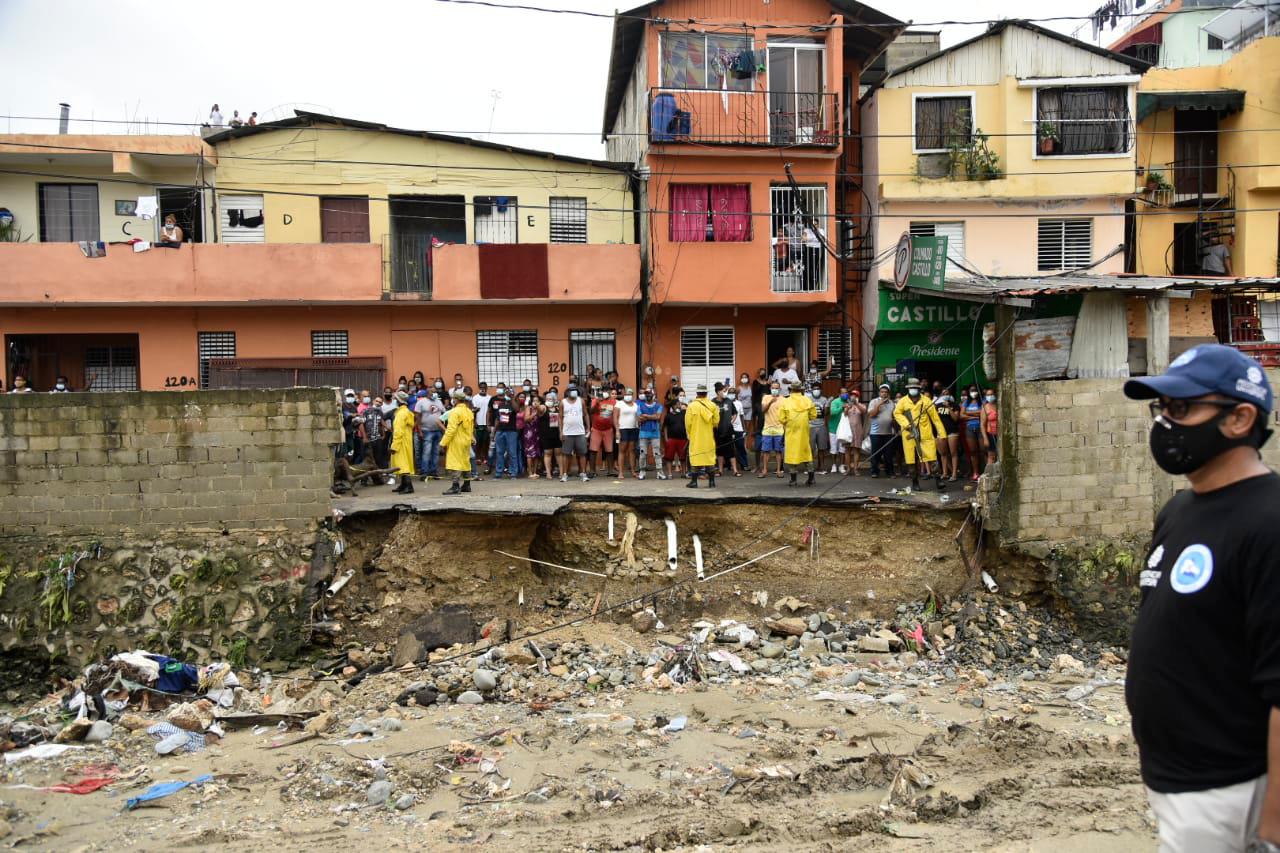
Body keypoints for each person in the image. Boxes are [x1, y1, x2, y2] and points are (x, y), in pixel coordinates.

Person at [1120, 344, 1280, 853]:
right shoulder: (1180, 510)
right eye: (1161, 410)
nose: (1165, 424)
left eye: (1182, 409)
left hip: (1234, 787)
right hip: (1175, 782)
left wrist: (1273, 832)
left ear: (1240, 418)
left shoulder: (1270, 525)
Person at [894, 378, 947, 492]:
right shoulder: (902, 401)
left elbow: (935, 418)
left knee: (932, 457)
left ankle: (938, 480)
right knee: (911, 459)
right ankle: (915, 482)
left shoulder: (926, 401)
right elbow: (897, 413)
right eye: (911, 388)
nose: (913, 390)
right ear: (908, 389)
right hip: (909, 434)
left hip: (925, 434)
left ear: (919, 389)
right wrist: (906, 424)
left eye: (915, 388)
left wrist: (942, 434)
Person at [779, 381, 819, 487]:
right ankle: (811, 479)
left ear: (790, 389)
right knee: (806, 453)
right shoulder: (807, 400)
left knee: (792, 454)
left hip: (791, 431)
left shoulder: (785, 402)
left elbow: (781, 419)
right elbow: (814, 415)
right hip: (804, 431)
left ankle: (793, 480)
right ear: (801, 389)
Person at [440, 388, 476, 495]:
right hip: (466, 441)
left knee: (455, 463)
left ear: (455, 399)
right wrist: (471, 438)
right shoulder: (469, 411)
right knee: (465, 462)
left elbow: (451, 429)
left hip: (456, 441)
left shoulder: (454, 412)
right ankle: (467, 485)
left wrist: (443, 442)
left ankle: (455, 486)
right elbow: (471, 428)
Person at [684, 384, 720, 488]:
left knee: (695, 458)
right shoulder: (712, 405)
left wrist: (689, 434)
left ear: (697, 393)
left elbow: (688, 423)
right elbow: (716, 422)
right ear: (706, 393)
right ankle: (712, 482)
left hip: (696, 438)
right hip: (708, 438)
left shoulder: (691, 406)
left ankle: (694, 482)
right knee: (709, 458)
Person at [560, 384, 590, 483]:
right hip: (567, 432)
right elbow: (560, 418)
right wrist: (561, 432)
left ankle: (583, 473)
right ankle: (564, 474)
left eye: (575, 390)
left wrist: (588, 428)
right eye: (571, 390)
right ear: (567, 392)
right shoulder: (563, 402)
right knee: (566, 454)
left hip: (580, 432)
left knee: (582, 453)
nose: (574, 392)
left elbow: (585, 414)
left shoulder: (581, 401)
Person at [416, 386, 446, 480]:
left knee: (435, 452)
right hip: (426, 430)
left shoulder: (439, 401)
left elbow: (444, 413)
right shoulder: (421, 402)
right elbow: (417, 417)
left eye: (435, 392)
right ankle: (424, 472)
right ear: (427, 393)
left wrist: (443, 427)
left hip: (437, 431)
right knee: (426, 452)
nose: (434, 393)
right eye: (432, 392)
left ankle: (433, 471)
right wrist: (420, 430)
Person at [933, 382, 961, 482]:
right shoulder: (937, 405)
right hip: (941, 431)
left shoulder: (955, 405)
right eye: (943, 393)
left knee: (953, 453)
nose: (945, 395)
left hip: (952, 431)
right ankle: (945, 473)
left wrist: (949, 407)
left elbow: (956, 419)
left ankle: (954, 474)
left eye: (947, 393)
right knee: (943, 453)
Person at [867, 384, 896, 479]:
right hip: (876, 433)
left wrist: (896, 429)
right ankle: (874, 471)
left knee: (889, 454)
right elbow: (871, 415)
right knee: (875, 453)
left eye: (886, 392)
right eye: (882, 392)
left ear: (888, 393)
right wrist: (879, 404)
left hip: (888, 433)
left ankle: (890, 472)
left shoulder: (892, 403)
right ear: (879, 393)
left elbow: (894, 417)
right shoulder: (873, 401)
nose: (884, 393)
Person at [390, 391, 416, 493]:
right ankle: (403, 484)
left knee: (402, 464)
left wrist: (394, 446)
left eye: (395, 399)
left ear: (398, 400)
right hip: (406, 441)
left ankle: (408, 486)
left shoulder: (400, 414)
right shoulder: (407, 412)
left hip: (400, 442)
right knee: (404, 463)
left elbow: (398, 431)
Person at [758, 381, 785, 478]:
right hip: (767, 428)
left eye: (776, 388)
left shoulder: (783, 399)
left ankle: (778, 470)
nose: (775, 390)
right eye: (773, 388)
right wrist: (770, 402)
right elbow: (763, 410)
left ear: (780, 389)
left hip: (779, 428)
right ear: (770, 388)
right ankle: (764, 470)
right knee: (766, 451)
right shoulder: (766, 397)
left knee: (778, 451)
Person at [491, 387, 519, 479]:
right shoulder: (501, 405)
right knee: (499, 452)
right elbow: (497, 419)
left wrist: (512, 398)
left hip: (511, 431)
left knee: (512, 453)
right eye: (506, 393)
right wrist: (494, 432)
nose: (507, 394)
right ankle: (498, 472)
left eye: (509, 393)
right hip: (500, 431)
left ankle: (513, 472)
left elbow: (517, 410)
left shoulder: (514, 403)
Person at [589, 388, 617, 478]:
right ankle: (592, 471)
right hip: (596, 429)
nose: (605, 393)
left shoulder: (613, 402)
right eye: (603, 391)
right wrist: (597, 403)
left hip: (608, 429)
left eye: (607, 392)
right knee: (593, 450)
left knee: (609, 451)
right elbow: (591, 411)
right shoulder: (595, 400)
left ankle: (610, 470)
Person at [637, 388, 664, 481]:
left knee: (657, 453)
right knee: (643, 454)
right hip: (643, 433)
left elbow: (658, 417)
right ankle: (642, 471)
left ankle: (660, 472)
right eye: (646, 394)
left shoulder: (658, 405)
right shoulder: (640, 405)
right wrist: (652, 416)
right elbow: (640, 419)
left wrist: (646, 416)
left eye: (649, 394)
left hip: (655, 433)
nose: (647, 395)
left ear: (653, 395)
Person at [662, 389, 689, 479]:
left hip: (682, 439)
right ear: (673, 406)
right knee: (669, 457)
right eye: (677, 404)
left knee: (682, 457)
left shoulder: (684, 414)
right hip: (671, 439)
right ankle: (669, 474)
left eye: (679, 404)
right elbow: (665, 427)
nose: (679, 405)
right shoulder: (668, 416)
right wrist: (666, 439)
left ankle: (684, 473)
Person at [960, 385, 985, 482]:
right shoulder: (966, 402)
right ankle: (975, 473)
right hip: (970, 428)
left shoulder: (982, 401)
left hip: (981, 428)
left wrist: (968, 413)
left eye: (975, 390)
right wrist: (975, 416)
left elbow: (983, 412)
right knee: (973, 452)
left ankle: (984, 472)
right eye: (971, 390)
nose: (973, 392)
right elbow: (961, 415)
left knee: (983, 451)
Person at [713, 383, 737, 476]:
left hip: (728, 430)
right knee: (719, 451)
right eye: (723, 391)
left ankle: (735, 471)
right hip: (718, 431)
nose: (725, 393)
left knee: (731, 451)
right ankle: (720, 471)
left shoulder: (728, 401)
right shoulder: (712, 402)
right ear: (718, 392)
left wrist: (731, 421)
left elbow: (735, 413)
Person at [615, 388, 639, 479]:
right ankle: (620, 472)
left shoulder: (635, 405)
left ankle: (633, 471)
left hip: (634, 428)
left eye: (630, 394)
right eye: (627, 394)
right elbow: (615, 417)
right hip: (623, 429)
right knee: (622, 450)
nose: (628, 395)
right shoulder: (619, 404)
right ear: (624, 394)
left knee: (632, 450)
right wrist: (617, 430)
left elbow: (637, 416)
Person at [539, 387, 561, 479]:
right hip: (546, 434)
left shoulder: (557, 408)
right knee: (548, 453)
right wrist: (537, 406)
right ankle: (548, 473)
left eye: (551, 399)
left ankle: (561, 472)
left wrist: (561, 432)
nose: (549, 400)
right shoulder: (543, 407)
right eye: (547, 398)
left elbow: (560, 420)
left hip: (556, 433)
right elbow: (539, 410)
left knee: (558, 453)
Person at [807, 384, 829, 473]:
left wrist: (827, 406)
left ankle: (821, 466)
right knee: (810, 448)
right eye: (814, 389)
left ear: (821, 390)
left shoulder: (824, 399)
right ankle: (810, 467)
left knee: (822, 448)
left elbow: (826, 413)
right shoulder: (808, 399)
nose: (816, 390)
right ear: (811, 390)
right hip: (810, 425)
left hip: (821, 425)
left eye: (818, 389)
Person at [521, 393, 544, 478]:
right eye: (534, 400)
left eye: (537, 401)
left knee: (537, 453)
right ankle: (530, 472)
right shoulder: (529, 408)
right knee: (530, 453)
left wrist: (538, 409)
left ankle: (535, 472)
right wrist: (534, 414)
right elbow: (526, 419)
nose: (535, 402)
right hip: (529, 433)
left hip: (538, 432)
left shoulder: (542, 408)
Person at [826, 386, 847, 474]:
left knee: (842, 448)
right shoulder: (835, 402)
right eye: (842, 393)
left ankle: (841, 465)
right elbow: (832, 412)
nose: (844, 394)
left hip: (844, 429)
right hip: (834, 428)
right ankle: (834, 465)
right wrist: (841, 407)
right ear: (839, 394)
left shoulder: (849, 401)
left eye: (846, 392)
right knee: (833, 448)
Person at [982, 387, 999, 466]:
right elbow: (982, 424)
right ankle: (989, 474)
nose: (990, 396)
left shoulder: (999, 405)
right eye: (988, 395)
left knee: (999, 455)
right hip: (990, 434)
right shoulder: (985, 407)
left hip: (999, 434)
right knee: (991, 455)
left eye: (991, 394)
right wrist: (985, 438)